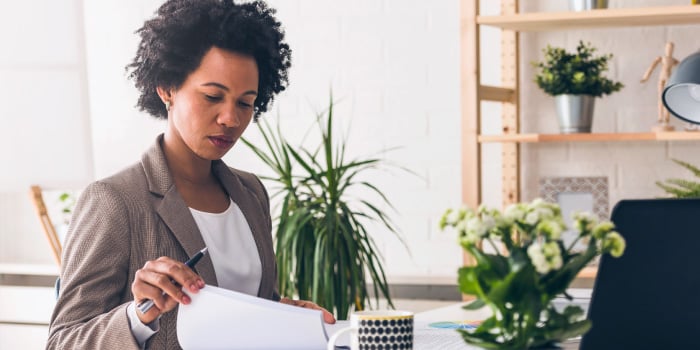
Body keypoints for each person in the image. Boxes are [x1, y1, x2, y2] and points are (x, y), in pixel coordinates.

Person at [46, 1, 334, 349]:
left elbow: (245, 308)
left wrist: (286, 317)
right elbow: (63, 341)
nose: (231, 118)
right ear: (167, 88)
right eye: (213, 96)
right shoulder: (114, 201)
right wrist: (139, 316)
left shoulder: (251, 193)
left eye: (246, 103)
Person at [641, 42, 680, 132]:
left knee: (667, 99)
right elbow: (651, 67)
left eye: (671, 48)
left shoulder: (673, 60)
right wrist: (645, 77)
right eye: (668, 48)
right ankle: (660, 117)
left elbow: (682, 66)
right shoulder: (661, 58)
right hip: (661, 78)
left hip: (668, 79)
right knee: (660, 98)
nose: (669, 50)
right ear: (665, 49)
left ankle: (666, 119)